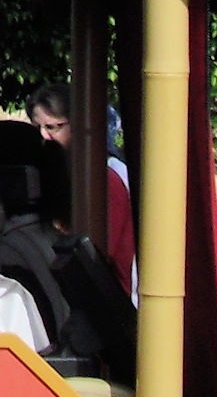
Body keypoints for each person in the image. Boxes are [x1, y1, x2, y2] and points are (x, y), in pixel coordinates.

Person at [27, 82, 137, 296]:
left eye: (53, 127)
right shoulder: (51, 176)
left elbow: (94, 256)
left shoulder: (105, 179)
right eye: (36, 128)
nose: (43, 137)